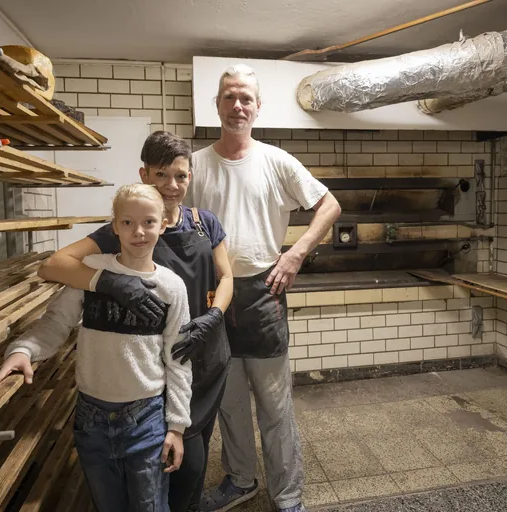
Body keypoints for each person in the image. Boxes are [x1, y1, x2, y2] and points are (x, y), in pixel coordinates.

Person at [36, 131, 234, 512]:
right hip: (158, 371)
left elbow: (226, 276)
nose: (171, 185)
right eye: (161, 175)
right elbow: (53, 266)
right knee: (176, 470)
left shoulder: (204, 223)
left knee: (195, 466)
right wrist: (108, 282)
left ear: (190, 177)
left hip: (206, 358)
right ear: (144, 174)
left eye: (180, 175)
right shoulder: (133, 226)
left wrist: (213, 317)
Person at [187, 64, 342, 512]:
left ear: (257, 107)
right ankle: (241, 480)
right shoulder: (195, 165)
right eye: (229, 96)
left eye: (246, 98)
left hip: (262, 293)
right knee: (230, 403)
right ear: (217, 105)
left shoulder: (277, 161)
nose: (237, 105)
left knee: (275, 406)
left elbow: (330, 204)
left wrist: (296, 254)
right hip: (214, 296)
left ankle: (287, 495)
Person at [0, 183, 193, 512]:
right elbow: (56, 323)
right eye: (127, 222)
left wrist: (177, 426)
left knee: (150, 506)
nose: (138, 231)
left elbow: (178, 359)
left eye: (148, 222)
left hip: (146, 419)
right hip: (91, 419)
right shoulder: (91, 272)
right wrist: (23, 350)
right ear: (114, 227)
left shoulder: (172, 287)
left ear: (163, 225)